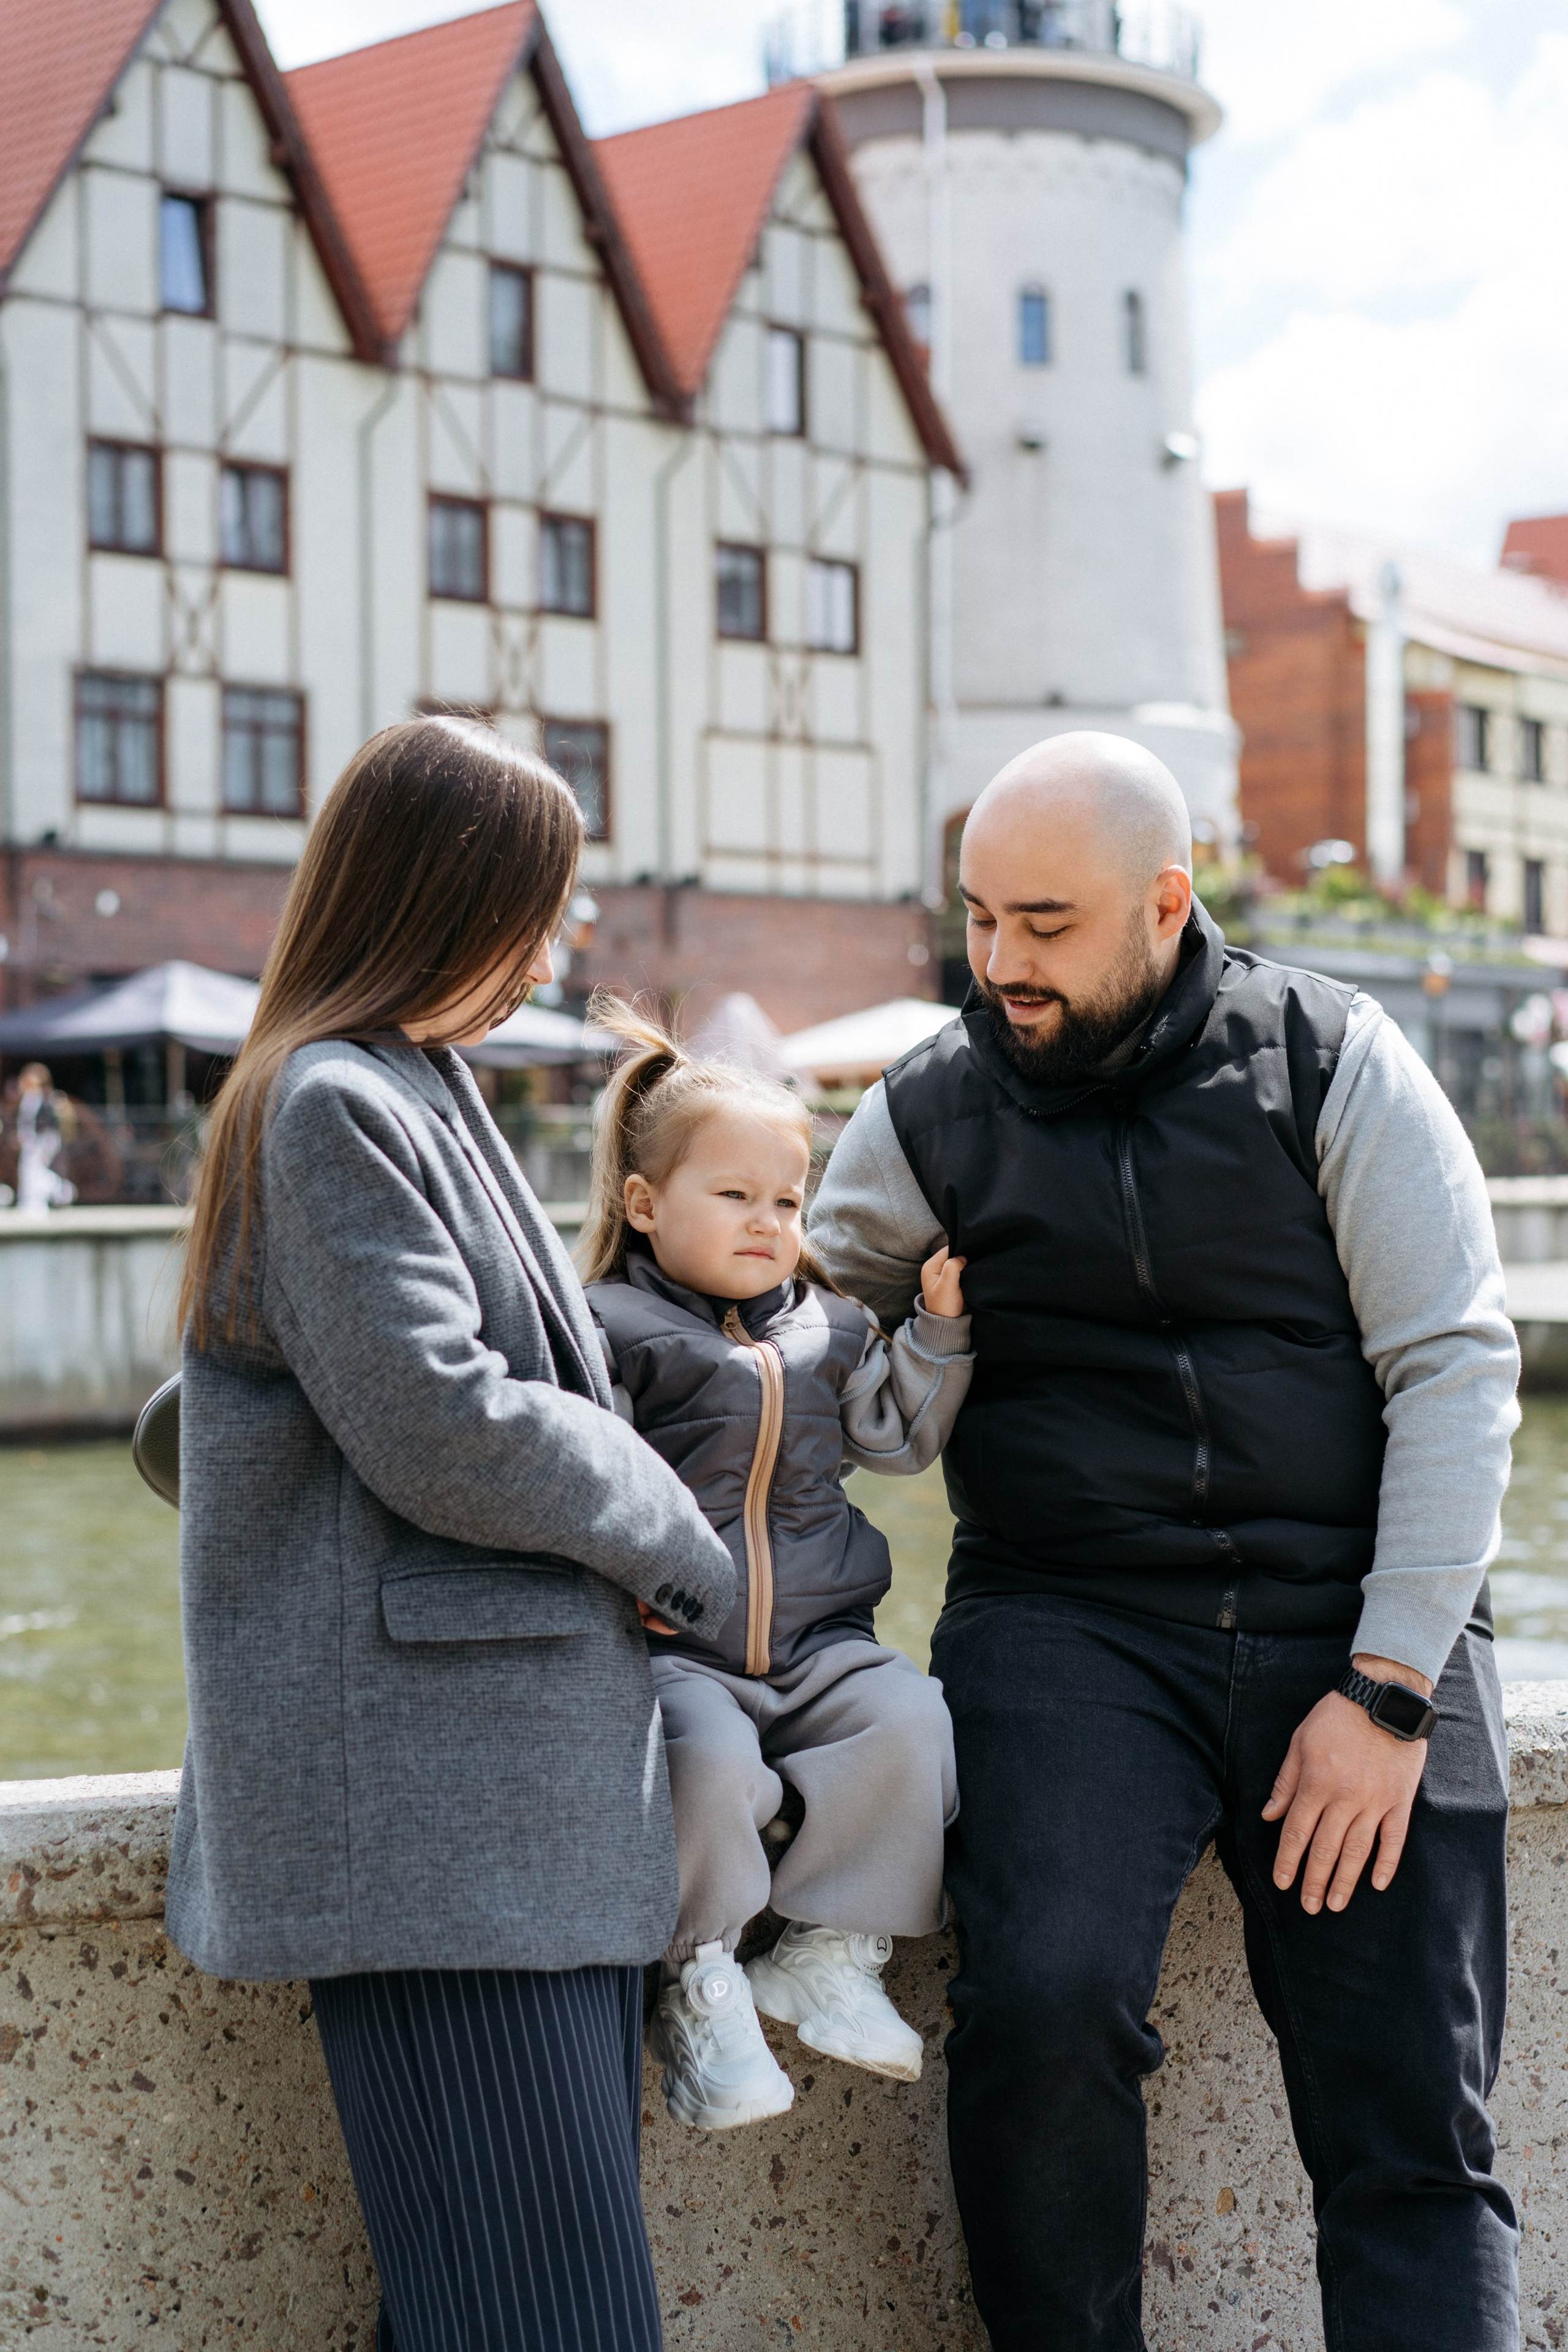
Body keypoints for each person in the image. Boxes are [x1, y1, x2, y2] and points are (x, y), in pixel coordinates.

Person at [810, 731, 1521, 2352]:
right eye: (979, 919)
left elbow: (1456, 1366)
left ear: (1166, 901)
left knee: (1410, 2110)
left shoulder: (1334, 1058)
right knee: (1040, 2009)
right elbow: (787, 1346)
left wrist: (1393, 1686)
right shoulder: (925, 1108)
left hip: (1359, 1617)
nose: (1000, 967)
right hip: (1069, 1620)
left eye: (1046, 925)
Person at [166, 718, 736, 2352]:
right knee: (551, 2326)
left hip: (489, 1823)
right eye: (537, 905)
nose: (557, 944)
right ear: (439, 898)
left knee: (496, 2316)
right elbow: (441, 1420)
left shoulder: (390, 1081)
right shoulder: (339, 1098)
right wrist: (673, 1537)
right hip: (442, 1836)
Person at [579, 999, 970, 2132]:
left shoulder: (831, 1328)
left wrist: (938, 1335)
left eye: (788, 1200)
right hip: (678, 1649)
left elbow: (897, 1438)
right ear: (645, 1204)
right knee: (703, 1769)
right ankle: (699, 1977)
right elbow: (577, 1476)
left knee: (913, 1725)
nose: (768, 1223)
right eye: (735, 1196)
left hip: (818, 1642)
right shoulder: (606, 1330)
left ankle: (830, 1952)